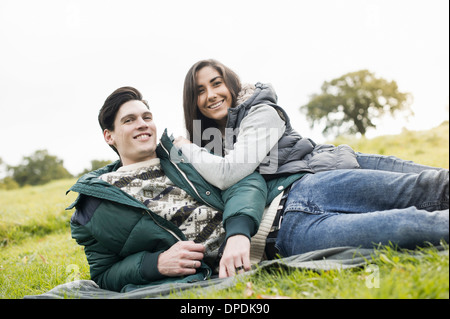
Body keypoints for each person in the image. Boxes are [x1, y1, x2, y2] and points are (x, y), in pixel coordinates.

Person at [175, 58, 449, 259]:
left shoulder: (260, 111)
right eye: (200, 91)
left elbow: (229, 174)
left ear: (230, 83)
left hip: (332, 165)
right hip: (303, 194)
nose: (211, 95)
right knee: (411, 209)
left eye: (216, 83)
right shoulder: (212, 144)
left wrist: (184, 145)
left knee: (430, 186)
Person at [69, 86, 276, 292]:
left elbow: (243, 180)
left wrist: (239, 232)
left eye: (147, 117)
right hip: (232, 266)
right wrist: (155, 264)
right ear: (109, 136)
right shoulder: (97, 202)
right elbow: (104, 274)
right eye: (129, 120)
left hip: (271, 223)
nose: (142, 125)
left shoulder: (181, 155)